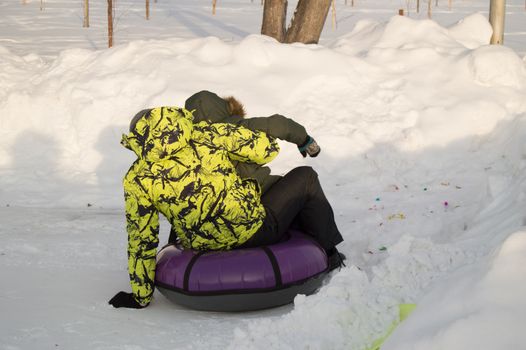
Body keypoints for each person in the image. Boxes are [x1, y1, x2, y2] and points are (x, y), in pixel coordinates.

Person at [109, 106, 344, 309]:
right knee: (306, 177)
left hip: (204, 246)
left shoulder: (136, 178)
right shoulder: (203, 134)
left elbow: (141, 237)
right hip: (254, 229)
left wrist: (140, 296)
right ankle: (331, 255)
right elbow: (266, 151)